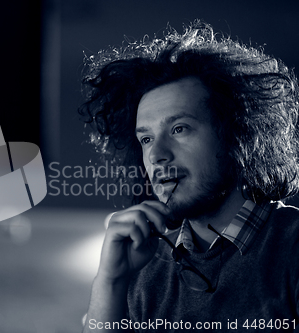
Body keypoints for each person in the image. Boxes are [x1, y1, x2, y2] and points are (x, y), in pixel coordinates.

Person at [78, 20, 299, 332]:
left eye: (179, 129)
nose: (157, 155)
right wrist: (111, 281)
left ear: (237, 134)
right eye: (146, 139)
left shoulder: (292, 249)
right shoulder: (143, 266)